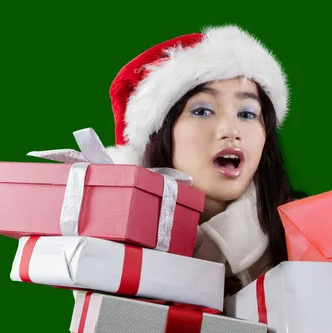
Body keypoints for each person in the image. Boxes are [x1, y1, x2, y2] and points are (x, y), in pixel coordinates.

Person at [104, 24, 304, 297]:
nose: (230, 131)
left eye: (246, 114)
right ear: (160, 135)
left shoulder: (305, 232)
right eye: (202, 110)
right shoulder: (111, 248)